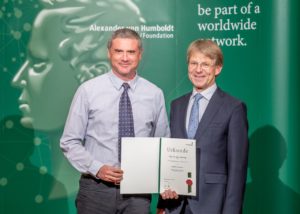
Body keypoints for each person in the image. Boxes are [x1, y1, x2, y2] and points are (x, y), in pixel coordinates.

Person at [60, 28, 170, 214]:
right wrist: (98, 168)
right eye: (119, 51)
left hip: (138, 192)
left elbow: (163, 145)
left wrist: (167, 186)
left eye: (131, 52)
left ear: (140, 55)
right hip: (96, 190)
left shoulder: (154, 94)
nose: (125, 58)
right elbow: (69, 141)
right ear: (109, 53)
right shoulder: (88, 91)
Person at [157, 39, 249, 214]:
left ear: (218, 68)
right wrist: (164, 197)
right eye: (194, 63)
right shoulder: (177, 105)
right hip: (176, 206)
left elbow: (237, 169)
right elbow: (171, 155)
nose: (198, 70)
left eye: (205, 64)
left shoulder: (233, 107)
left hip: (212, 206)